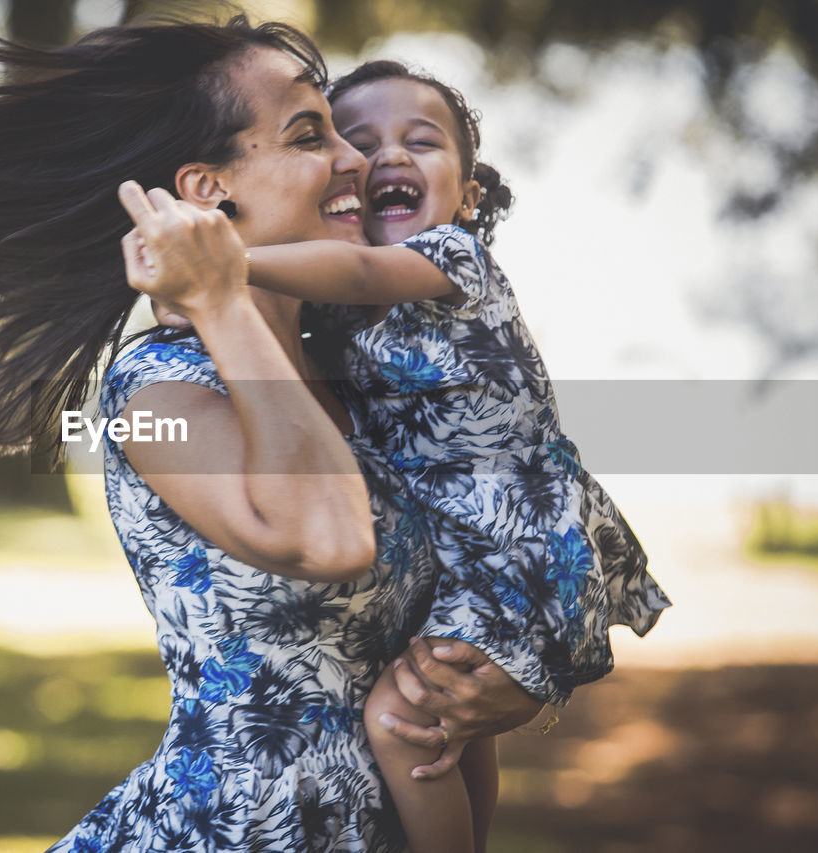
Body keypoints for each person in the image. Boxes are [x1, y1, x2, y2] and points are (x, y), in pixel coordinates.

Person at [0, 17, 544, 851]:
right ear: (207, 191)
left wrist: (506, 687)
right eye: (310, 134)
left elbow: (463, 610)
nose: (355, 158)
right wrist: (220, 298)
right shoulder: (150, 397)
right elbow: (331, 537)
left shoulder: (370, 383)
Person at [162, 60, 672, 852]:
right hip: (483, 542)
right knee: (443, 724)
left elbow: (359, 265)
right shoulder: (292, 344)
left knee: (401, 723)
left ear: (469, 195)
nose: (374, 159)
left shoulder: (449, 259)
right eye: (349, 139)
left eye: (420, 141)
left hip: (516, 536)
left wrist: (222, 268)